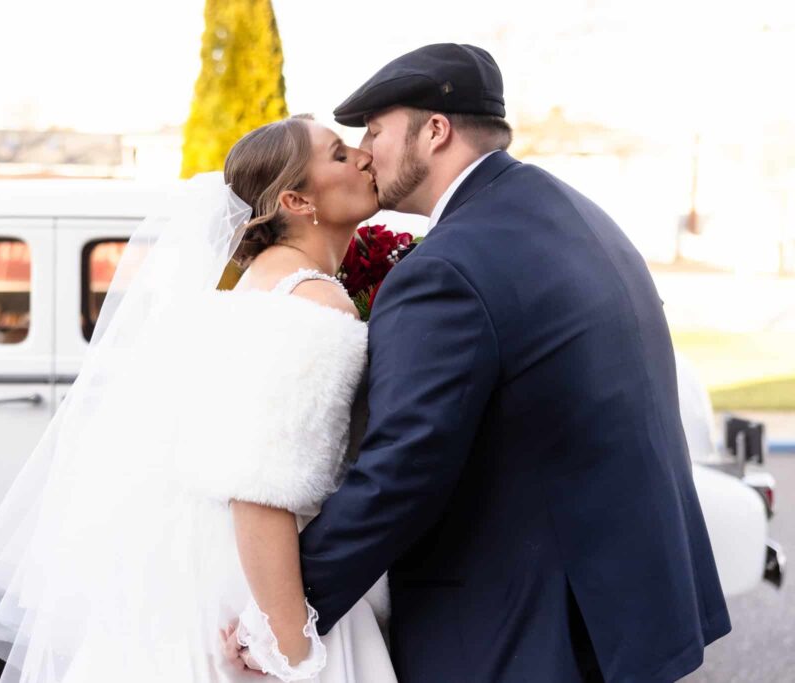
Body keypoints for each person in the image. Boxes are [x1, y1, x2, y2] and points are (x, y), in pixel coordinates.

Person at [287, 43, 731, 682]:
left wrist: (289, 604)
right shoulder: (574, 212)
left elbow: (404, 466)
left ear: (435, 131)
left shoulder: (444, 267)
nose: (365, 153)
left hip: (529, 623)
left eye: (377, 131)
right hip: (628, 601)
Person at [0, 114, 396, 682]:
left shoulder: (247, 285)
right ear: (295, 199)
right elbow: (260, 490)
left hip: (197, 575)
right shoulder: (312, 302)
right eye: (338, 154)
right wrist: (289, 648)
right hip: (259, 586)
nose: (362, 156)